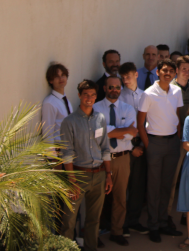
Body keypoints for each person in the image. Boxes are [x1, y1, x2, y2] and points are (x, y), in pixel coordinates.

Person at [59, 80, 113, 251]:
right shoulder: (69, 121)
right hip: (77, 176)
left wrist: (109, 175)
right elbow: (66, 153)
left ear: (96, 97)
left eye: (92, 95)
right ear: (79, 96)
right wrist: (71, 180)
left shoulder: (101, 119)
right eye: (86, 95)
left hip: (99, 175)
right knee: (69, 220)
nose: (89, 98)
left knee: (94, 219)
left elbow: (105, 147)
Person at [137, 60, 185, 242]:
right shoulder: (148, 94)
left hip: (172, 143)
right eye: (165, 70)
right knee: (154, 186)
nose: (168, 73)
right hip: (154, 143)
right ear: (158, 72)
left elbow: (177, 117)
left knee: (167, 185)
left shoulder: (177, 91)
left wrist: (178, 138)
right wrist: (149, 145)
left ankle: (164, 222)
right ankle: (153, 225)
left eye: (171, 71)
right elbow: (140, 123)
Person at [94, 76, 138, 246]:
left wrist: (112, 131)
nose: (114, 90)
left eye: (117, 87)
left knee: (120, 197)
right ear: (104, 88)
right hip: (99, 159)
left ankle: (117, 231)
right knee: (98, 199)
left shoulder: (127, 108)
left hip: (121, 159)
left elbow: (131, 134)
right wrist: (124, 130)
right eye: (111, 87)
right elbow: (98, 133)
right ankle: (94, 234)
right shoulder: (96, 108)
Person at [42, 63, 73, 146]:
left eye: (63, 75)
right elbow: (47, 133)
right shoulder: (50, 103)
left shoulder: (66, 100)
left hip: (69, 149)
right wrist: (52, 157)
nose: (61, 78)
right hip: (58, 150)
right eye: (56, 76)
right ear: (50, 80)